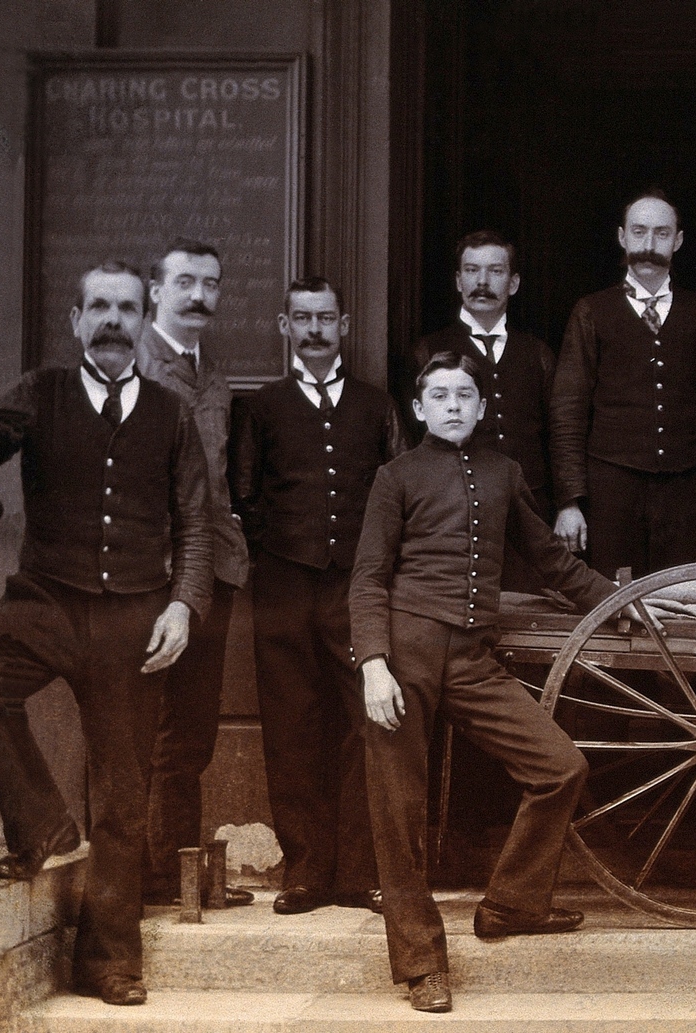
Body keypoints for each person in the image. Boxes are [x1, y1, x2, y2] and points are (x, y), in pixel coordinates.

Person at [0, 260, 212, 1005]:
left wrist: (183, 605)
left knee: (123, 793)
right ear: (75, 321)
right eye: (97, 306)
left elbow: (196, 520)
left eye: (126, 308)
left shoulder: (171, 411)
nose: (111, 319)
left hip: (135, 616)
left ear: (143, 321)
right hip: (46, 602)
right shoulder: (40, 393)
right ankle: (41, 825)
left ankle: (108, 961)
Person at [351, 352, 618, 1013]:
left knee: (560, 766)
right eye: (438, 394)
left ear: (480, 406)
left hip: (471, 657)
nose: (452, 404)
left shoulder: (502, 473)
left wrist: (622, 599)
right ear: (418, 408)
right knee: (400, 811)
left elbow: (553, 562)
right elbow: (368, 577)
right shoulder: (395, 475)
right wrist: (373, 663)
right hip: (404, 656)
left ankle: (512, 902)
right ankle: (421, 965)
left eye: (464, 395)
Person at [229, 277, 405, 917]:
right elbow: (243, 495)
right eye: (301, 318)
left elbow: (397, 488)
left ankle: (359, 872)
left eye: (325, 318)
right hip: (282, 587)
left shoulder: (375, 404)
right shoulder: (261, 407)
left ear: (344, 325)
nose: (313, 330)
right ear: (285, 328)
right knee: (291, 724)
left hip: (355, 589)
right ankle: (304, 871)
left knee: (366, 723)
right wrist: (280, 552)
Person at [135, 237, 253, 907]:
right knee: (155, 724)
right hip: (155, 569)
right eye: (184, 281)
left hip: (213, 567)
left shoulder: (213, 372)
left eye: (210, 282)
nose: (198, 294)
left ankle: (175, 872)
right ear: (156, 290)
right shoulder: (139, 367)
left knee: (193, 726)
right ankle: (152, 874)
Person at [550, 189, 696, 576]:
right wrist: (569, 501)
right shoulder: (591, 311)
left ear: (678, 241)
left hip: (688, 492)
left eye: (662, 234)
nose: (649, 246)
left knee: (685, 601)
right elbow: (568, 410)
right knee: (614, 606)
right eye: (639, 232)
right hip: (610, 492)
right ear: (622, 237)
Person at [410, 230, 557, 591]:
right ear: (459, 281)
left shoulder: (537, 353)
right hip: (455, 511)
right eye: (472, 271)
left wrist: (567, 504)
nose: (482, 282)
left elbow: (558, 433)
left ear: (514, 282)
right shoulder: (429, 350)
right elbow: (418, 444)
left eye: (495, 271)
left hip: (530, 511)